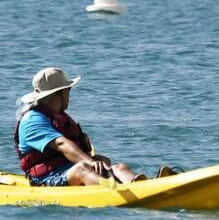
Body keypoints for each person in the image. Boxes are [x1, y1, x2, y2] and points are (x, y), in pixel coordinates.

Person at [13, 67, 157, 186]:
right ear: (56, 95)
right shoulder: (32, 121)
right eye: (67, 90)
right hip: (47, 179)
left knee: (119, 167)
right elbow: (62, 144)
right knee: (83, 168)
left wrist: (94, 161)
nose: (69, 94)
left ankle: (147, 186)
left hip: (69, 170)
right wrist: (90, 162)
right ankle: (120, 191)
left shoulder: (58, 115)